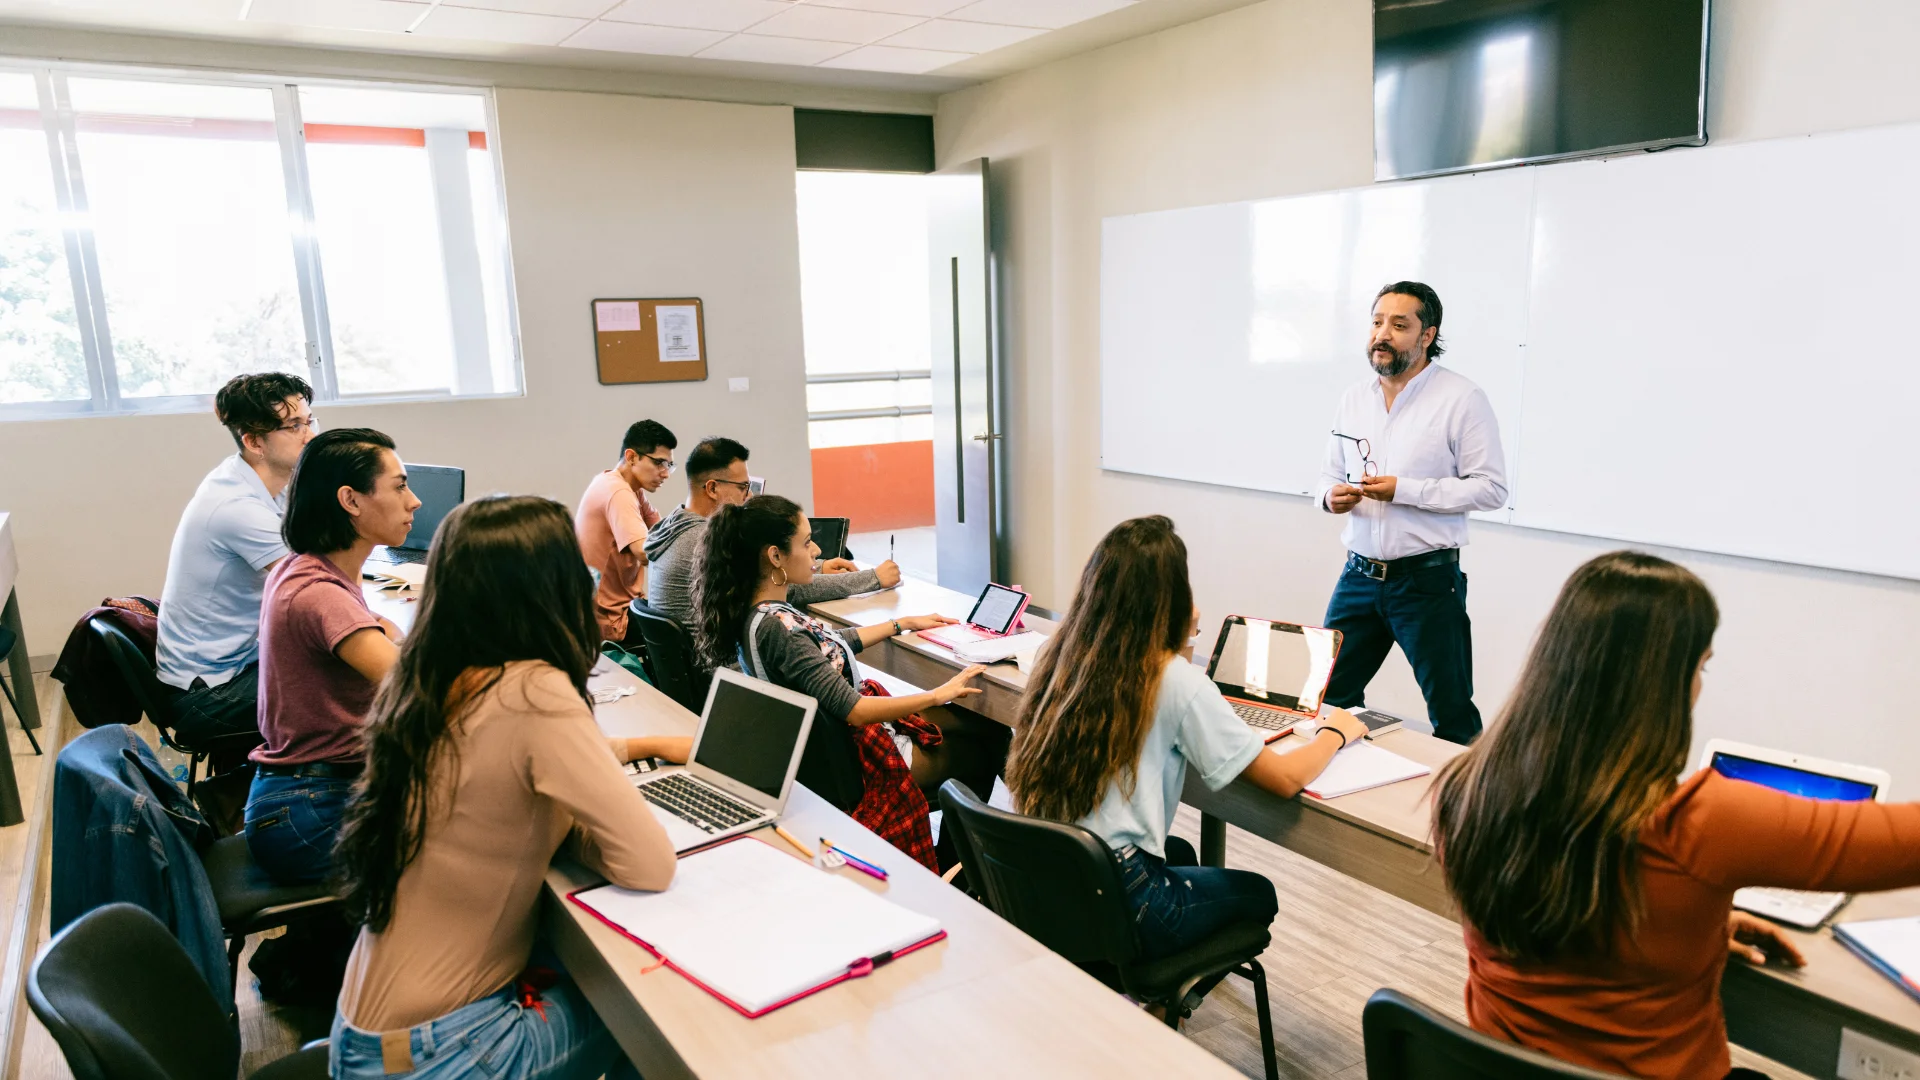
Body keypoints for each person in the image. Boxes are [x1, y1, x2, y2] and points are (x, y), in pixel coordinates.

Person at [1433, 551, 1920, 1079]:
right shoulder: (1703, 822)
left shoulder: (1467, 788)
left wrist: (1688, 924)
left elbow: (1564, 901)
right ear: (1662, 681)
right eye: (1701, 665)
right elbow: (1902, 844)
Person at [330, 495, 683, 1079]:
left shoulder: (430, 677)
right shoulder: (534, 691)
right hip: (446, 1052)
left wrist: (627, 755)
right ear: (554, 588)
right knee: (652, 1002)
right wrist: (583, 830)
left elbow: (503, 767)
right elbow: (650, 865)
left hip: (369, 1039)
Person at [1005, 516, 1368, 964]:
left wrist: (1183, 639)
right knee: (1259, 894)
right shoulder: (1172, 679)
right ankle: (1158, 1006)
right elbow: (1285, 779)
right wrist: (1336, 732)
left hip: (1045, 871)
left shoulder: (1059, 653)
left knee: (1180, 853)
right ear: (1171, 597)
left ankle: (1139, 986)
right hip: (1119, 892)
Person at [692, 495, 1000, 871]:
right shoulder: (780, 629)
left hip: (830, 754)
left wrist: (901, 624)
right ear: (775, 556)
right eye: (806, 543)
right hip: (861, 764)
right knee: (990, 743)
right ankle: (957, 866)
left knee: (978, 724)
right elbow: (855, 711)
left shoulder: (758, 613)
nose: (816, 550)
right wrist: (937, 692)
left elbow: (826, 651)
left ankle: (956, 862)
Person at [1313, 281, 1507, 745]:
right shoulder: (1353, 398)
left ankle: (1465, 814)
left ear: (1426, 336)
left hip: (1427, 583)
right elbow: (1326, 475)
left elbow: (1492, 489)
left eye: (1400, 325)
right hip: (1358, 577)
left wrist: (1406, 491)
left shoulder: (1462, 398)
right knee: (1326, 698)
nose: (1383, 334)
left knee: (1452, 713)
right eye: (1378, 322)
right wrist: (1329, 497)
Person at [245, 428, 419, 886]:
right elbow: (419, 689)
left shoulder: (304, 568)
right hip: (310, 810)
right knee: (489, 836)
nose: (414, 501)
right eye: (400, 486)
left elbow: (386, 632)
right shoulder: (322, 594)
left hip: (298, 795)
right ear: (351, 501)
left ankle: (311, 950)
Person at [155, 372, 317, 749]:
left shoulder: (260, 481)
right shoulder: (237, 507)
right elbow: (310, 590)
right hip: (209, 695)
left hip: (236, 662)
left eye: (309, 421)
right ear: (254, 441)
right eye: (294, 426)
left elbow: (313, 552)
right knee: (356, 690)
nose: (310, 434)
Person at [644, 435, 902, 628]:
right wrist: (873, 578)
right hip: (724, 674)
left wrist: (817, 566)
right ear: (712, 489)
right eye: (744, 487)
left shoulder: (674, 525)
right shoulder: (703, 543)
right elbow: (783, 587)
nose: (749, 497)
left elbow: (769, 575)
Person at [576, 420, 675, 644]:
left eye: (669, 465)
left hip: (616, 610)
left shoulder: (626, 486)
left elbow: (663, 530)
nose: (665, 473)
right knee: (687, 635)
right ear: (631, 457)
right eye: (659, 463)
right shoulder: (617, 491)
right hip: (610, 621)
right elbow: (644, 551)